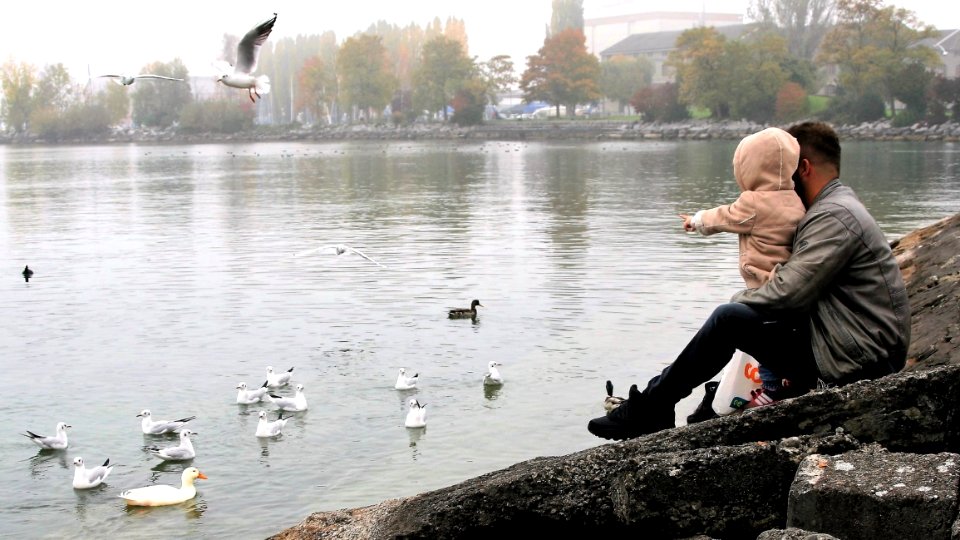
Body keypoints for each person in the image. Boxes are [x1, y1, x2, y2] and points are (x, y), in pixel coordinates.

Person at [588, 121, 912, 441]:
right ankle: (661, 404)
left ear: (803, 168)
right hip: (852, 347)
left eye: (787, 175)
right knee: (737, 322)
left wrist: (738, 301)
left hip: (861, 362)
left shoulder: (834, 216)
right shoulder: (832, 208)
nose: (782, 185)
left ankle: (651, 407)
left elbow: (788, 294)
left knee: (729, 319)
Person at [680, 127, 807, 414]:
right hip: (789, 289)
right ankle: (779, 383)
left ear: (746, 167)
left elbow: (724, 217)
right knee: (772, 338)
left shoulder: (754, 203)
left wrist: (695, 220)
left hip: (765, 288)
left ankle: (774, 391)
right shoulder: (795, 200)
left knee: (754, 335)